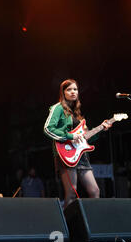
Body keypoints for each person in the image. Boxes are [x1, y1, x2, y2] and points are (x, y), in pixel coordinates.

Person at [43, 79, 111, 209]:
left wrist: (102, 129)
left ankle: (91, 224)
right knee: (71, 193)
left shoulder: (77, 113)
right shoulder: (58, 108)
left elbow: (86, 139)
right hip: (66, 154)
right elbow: (48, 128)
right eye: (69, 89)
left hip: (81, 156)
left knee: (95, 191)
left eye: (75, 89)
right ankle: (67, 227)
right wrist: (70, 136)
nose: (73, 92)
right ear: (63, 92)